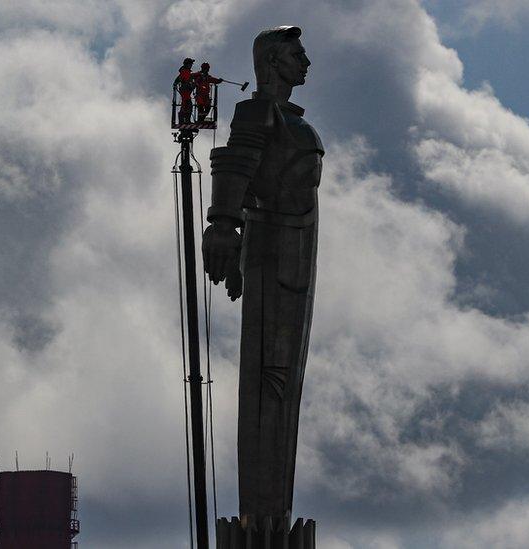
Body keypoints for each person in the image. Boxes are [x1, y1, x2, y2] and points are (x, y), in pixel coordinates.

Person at [202, 26, 319, 527]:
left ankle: (276, 509)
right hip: (274, 255)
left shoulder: (290, 119)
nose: (306, 62)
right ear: (273, 60)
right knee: (270, 378)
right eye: (297, 53)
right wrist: (223, 226)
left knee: (287, 379)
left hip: (297, 256)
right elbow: (236, 166)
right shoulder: (258, 112)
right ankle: (263, 515)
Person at [173, 58, 195, 123]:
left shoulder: (185, 71)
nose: (191, 65)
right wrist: (192, 84)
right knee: (187, 105)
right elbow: (185, 79)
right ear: (187, 64)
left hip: (185, 91)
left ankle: (185, 120)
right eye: (190, 64)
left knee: (186, 105)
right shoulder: (184, 71)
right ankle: (184, 120)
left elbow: (178, 79)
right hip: (185, 90)